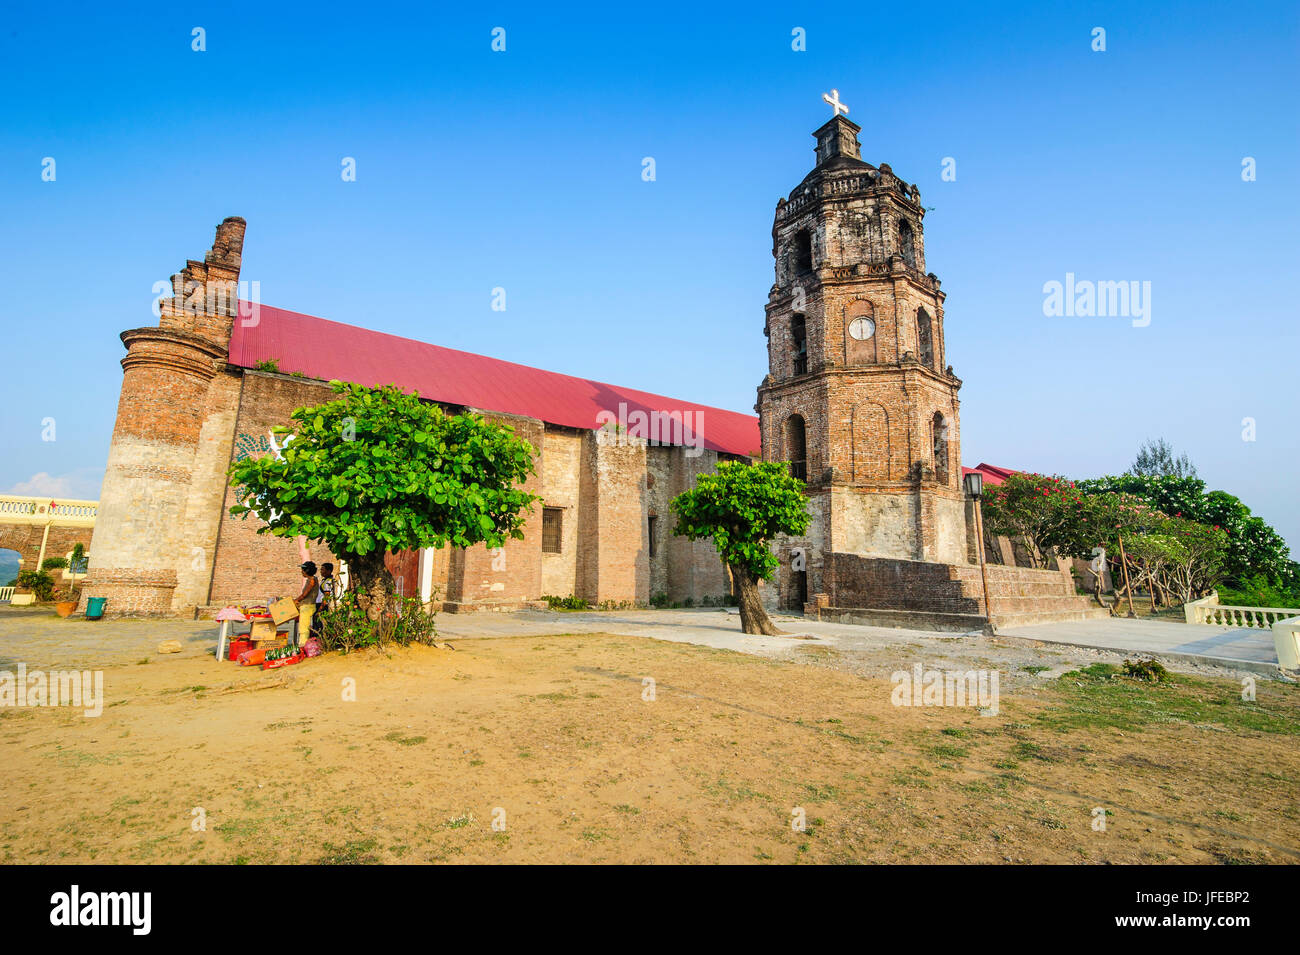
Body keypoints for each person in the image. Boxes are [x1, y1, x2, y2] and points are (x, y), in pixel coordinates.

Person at [295, 561, 319, 648]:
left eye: (303, 570)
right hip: (306, 606)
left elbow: (305, 594)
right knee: (303, 625)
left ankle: (303, 644)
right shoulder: (310, 579)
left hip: (307, 606)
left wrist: (296, 600)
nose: (302, 572)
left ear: (307, 571)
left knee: (304, 627)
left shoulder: (312, 580)